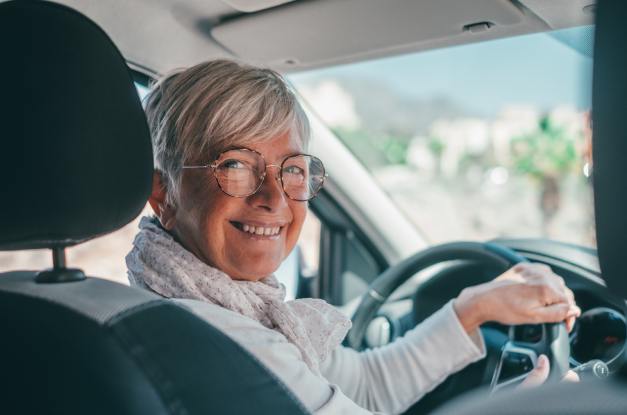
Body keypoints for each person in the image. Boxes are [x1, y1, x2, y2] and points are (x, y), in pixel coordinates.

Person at [126, 59, 580, 414]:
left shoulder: (195, 309)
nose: (275, 197)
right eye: (236, 165)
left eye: (293, 170)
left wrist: (474, 309)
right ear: (162, 193)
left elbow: (363, 388)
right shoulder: (219, 340)